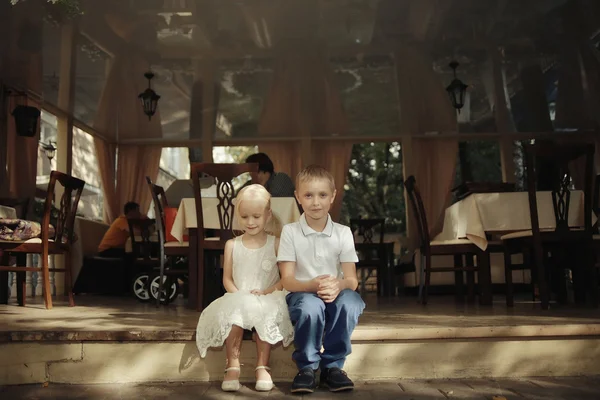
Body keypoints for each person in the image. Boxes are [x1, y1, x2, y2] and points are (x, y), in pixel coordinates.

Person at [195, 184, 294, 392]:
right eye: (245, 216)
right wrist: (238, 294)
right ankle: (232, 366)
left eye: (256, 216)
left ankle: (262, 366)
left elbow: (284, 279)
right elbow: (227, 279)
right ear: (238, 215)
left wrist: (268, 292)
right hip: (238, 296)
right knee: (234, 317)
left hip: (268, 296)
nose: (250, 222)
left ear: (267, 215)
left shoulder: (275, 243)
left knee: (265, 314)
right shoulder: (232, 244)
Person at [277, 165, 365, 394]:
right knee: (311, 307)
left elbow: (352, 280)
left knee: (351, 301)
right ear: (298, 197)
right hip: (302, 292)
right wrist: (312, 286)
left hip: (335, 292)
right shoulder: (290, 232)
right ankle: (307, 368)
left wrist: (339, 284)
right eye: (308, 195)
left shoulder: (343, 233)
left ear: (333, 196)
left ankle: (332, 368)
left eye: (322, 195)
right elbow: (287, 280)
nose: (316, 202)